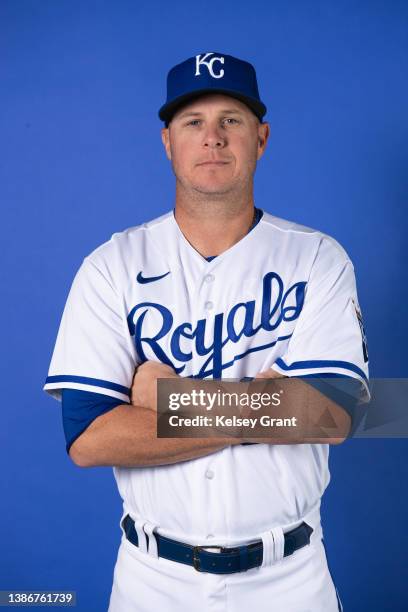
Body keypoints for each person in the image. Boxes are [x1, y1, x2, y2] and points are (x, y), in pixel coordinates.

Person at [44, 52, 369, 611]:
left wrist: (168, 403)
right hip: (153, 580)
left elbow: (333, 415)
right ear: (168, 141)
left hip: (290, 580)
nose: (212, 138)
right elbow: (88, 438)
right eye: (193, 122)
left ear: (260, 138)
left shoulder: (318, 258)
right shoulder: (111, 265)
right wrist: (269, 407)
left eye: (231, 120)